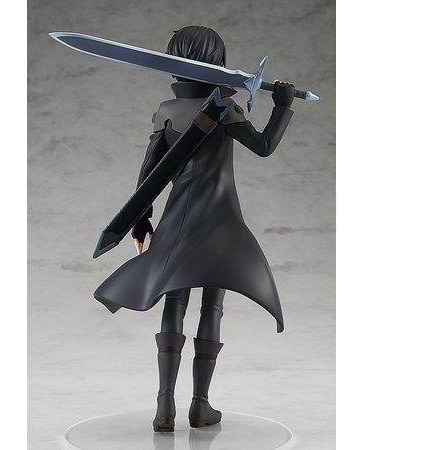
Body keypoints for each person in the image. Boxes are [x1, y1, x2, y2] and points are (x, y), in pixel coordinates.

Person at [93, 25, 295, 432]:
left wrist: (141, 218)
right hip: (220, 219)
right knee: (212, 305)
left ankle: (164, 406)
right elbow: (263, 147)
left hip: (176, 218)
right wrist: (282, 106)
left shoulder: (167, 109)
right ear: (217, 61)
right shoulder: (224, 107)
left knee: (175, 299)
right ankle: (200, 405)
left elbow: (150, 172)